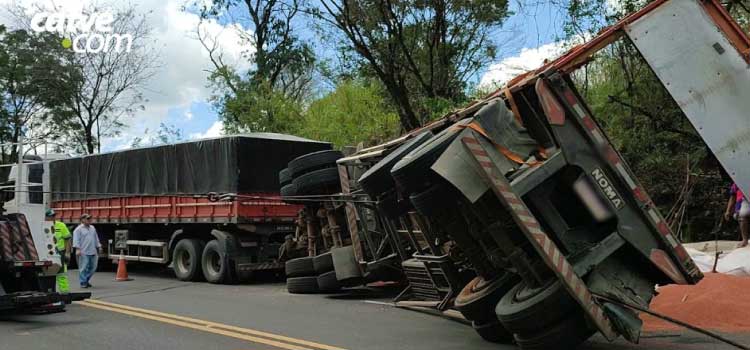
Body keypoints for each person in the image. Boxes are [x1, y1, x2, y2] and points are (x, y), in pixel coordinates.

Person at [72, 213, 102, 288]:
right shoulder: (78, 229)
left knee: (93, 268)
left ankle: (86, 280)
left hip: (93, 251)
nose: (89, 220)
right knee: (83, 268)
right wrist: (78, 249)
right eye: (87, 219)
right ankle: (83, 282)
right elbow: (76, 240)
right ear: (82, 220)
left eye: (90, 219)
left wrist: (99, 246)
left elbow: (96, 238)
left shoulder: (92, 228)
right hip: (83, 252)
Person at [46, 209, 72, 293]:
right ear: (46, 217)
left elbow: (67, 239)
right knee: (48, 274)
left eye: (54, 216)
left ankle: (64, 293)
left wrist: (68, 253)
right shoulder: (42, 226)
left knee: (61, 274)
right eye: (51, 216)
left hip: (60, 253)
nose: (53, 218)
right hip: (47, 254)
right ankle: (49, 292)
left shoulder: (61, 225)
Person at [724, 183, 749, 248]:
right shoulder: (737, 183)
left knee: (743, 214)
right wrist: (728, 211)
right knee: (742, 215)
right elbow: (732, 197)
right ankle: (745, 240)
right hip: (742, 204)